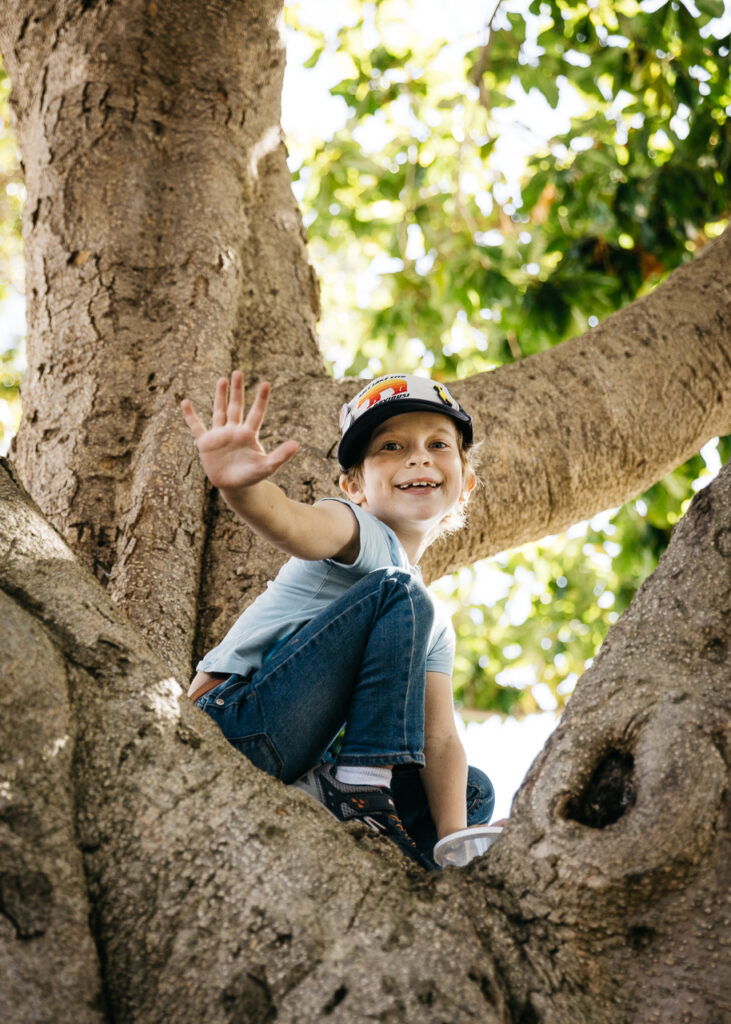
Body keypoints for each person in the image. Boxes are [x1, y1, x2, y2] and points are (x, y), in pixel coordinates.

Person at [181, 371, 496, 869]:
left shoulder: (423, 616)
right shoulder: (356, 530)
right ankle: (358, 789)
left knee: (472, 791)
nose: (418, 456)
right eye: (391, 447)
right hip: (230, 721)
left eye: (437, 444)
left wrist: (455, 838)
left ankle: (390, 843)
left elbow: (439, 739)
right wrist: (242, 489)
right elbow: (292, 522)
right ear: (354, 487)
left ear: (465, 481)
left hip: (294, 759)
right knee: (402, 590)